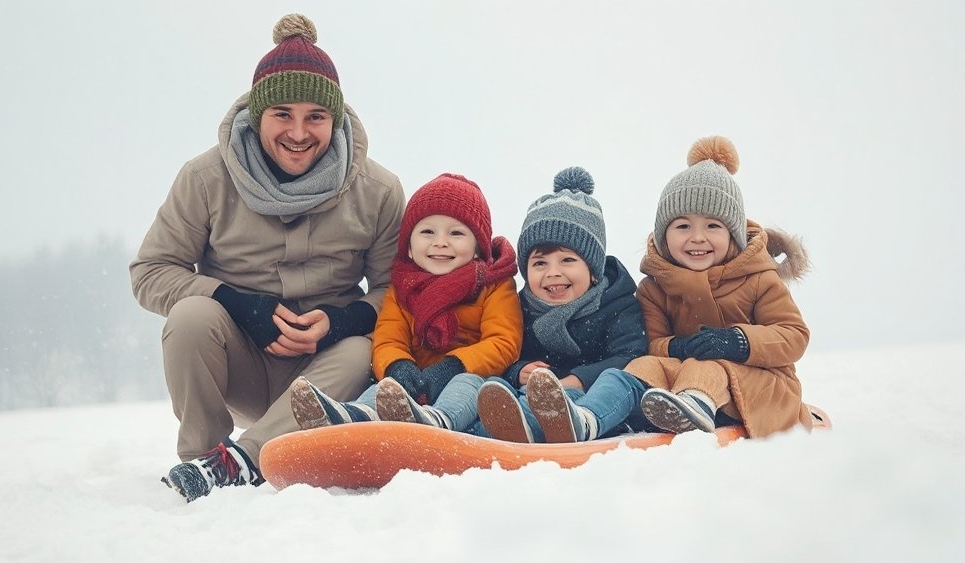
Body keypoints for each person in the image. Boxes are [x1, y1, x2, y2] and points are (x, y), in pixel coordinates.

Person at [129, 14, 405, 502]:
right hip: (239, 361)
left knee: (366, 349)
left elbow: (396, 292)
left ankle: (241, 461)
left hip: (325, 376)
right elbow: (151, 273)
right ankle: (201, 455)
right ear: (258, 115)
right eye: (283, 114)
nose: (299, 132)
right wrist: (235, 303)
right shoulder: (204, 179)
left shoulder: (379, 191)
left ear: (335, 119)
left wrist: (342, 321)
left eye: (316, 117)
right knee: (191, 316)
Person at [288, 173, 523, 434]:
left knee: (468, 384)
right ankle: (353, 420)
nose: (440, 242)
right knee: (383, 388)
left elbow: (504, 342)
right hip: (414, 380)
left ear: (478, 247)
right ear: (409, 247)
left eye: (456, 233)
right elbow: (388, 339)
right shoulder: (402, 288)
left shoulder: (494, 285)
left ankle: (438, 420)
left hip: (472, 377)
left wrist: (454, 365)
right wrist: (397, 365)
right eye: (427, 232)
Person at [626, 135, 812, 437]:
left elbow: (794, 336)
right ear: (664, 235)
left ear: (733, 235)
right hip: (679, 381)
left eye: (712, 226)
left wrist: (738, 342)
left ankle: (693, 411)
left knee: (707, 367)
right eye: (683, 226)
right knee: (646, 364)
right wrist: (677, 346)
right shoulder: (655, 287)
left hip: (760, 387)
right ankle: (629, 409)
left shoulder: (759, 277)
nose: (697, 237)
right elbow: (653, 342)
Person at [474, 167, 650, 443]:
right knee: (494, 385)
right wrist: (519, 371)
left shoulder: (617, 302)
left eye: (567, 260)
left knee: (620, 381)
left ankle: (579, 423)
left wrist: (578, 380)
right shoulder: (521, 308)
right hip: (536, 396)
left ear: (593, 269)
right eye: (540, 263)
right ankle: (501, 428)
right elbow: (506, 353)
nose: (553, 272)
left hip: (595, 396)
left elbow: (631, 355)